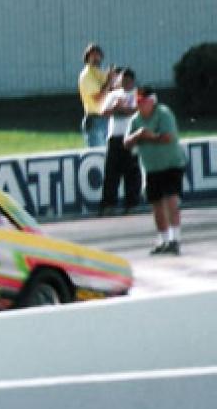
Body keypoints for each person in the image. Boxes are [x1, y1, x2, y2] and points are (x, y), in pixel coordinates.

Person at [124, 86, 187, 255]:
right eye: (138, 102)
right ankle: (163, 240)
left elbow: (168, 137)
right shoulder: (135, 120)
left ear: (152, 102)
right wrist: (137, 135)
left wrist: (150, 136)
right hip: (151, 168)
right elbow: (126, 143)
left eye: (143, 102)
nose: (139, 105)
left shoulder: (164, 113)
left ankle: (175, 239)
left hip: (172, 164)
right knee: (156, 204)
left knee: (171, 199)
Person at [98, 67, 141, 216]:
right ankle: (108, 204)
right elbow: (103, 112)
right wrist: (118, 109)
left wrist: (121, 109)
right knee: (111, 172)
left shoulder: (137, 94)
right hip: (115, 136)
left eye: (126, 80)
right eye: (122, 80)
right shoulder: (113, 95)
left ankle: (132, 203)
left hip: (131, 136)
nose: (123, 83)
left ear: (132, 81)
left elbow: (136, 111)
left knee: (132, 172)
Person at [78, 43, 114, 148]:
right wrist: (109, 81)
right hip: (95, 120)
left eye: (98, 55)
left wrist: (114, 78)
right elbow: (98, 98)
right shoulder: (86, 75)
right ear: (87, 58)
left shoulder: (99, 73)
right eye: (92, 55)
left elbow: (111, 88)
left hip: (107, 118)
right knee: (97, 154)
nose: (96, 58)